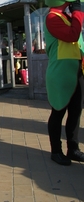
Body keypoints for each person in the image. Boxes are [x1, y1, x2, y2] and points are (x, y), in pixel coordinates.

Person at [44, 0, 84, 165]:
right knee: (58, 111)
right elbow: (72, 35)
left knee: (75, 112)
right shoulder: (52, 18)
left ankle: (73, 149)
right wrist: (78, 13)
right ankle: (56, 151)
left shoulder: (66, 16)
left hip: (75, 72)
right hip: (60, 73)